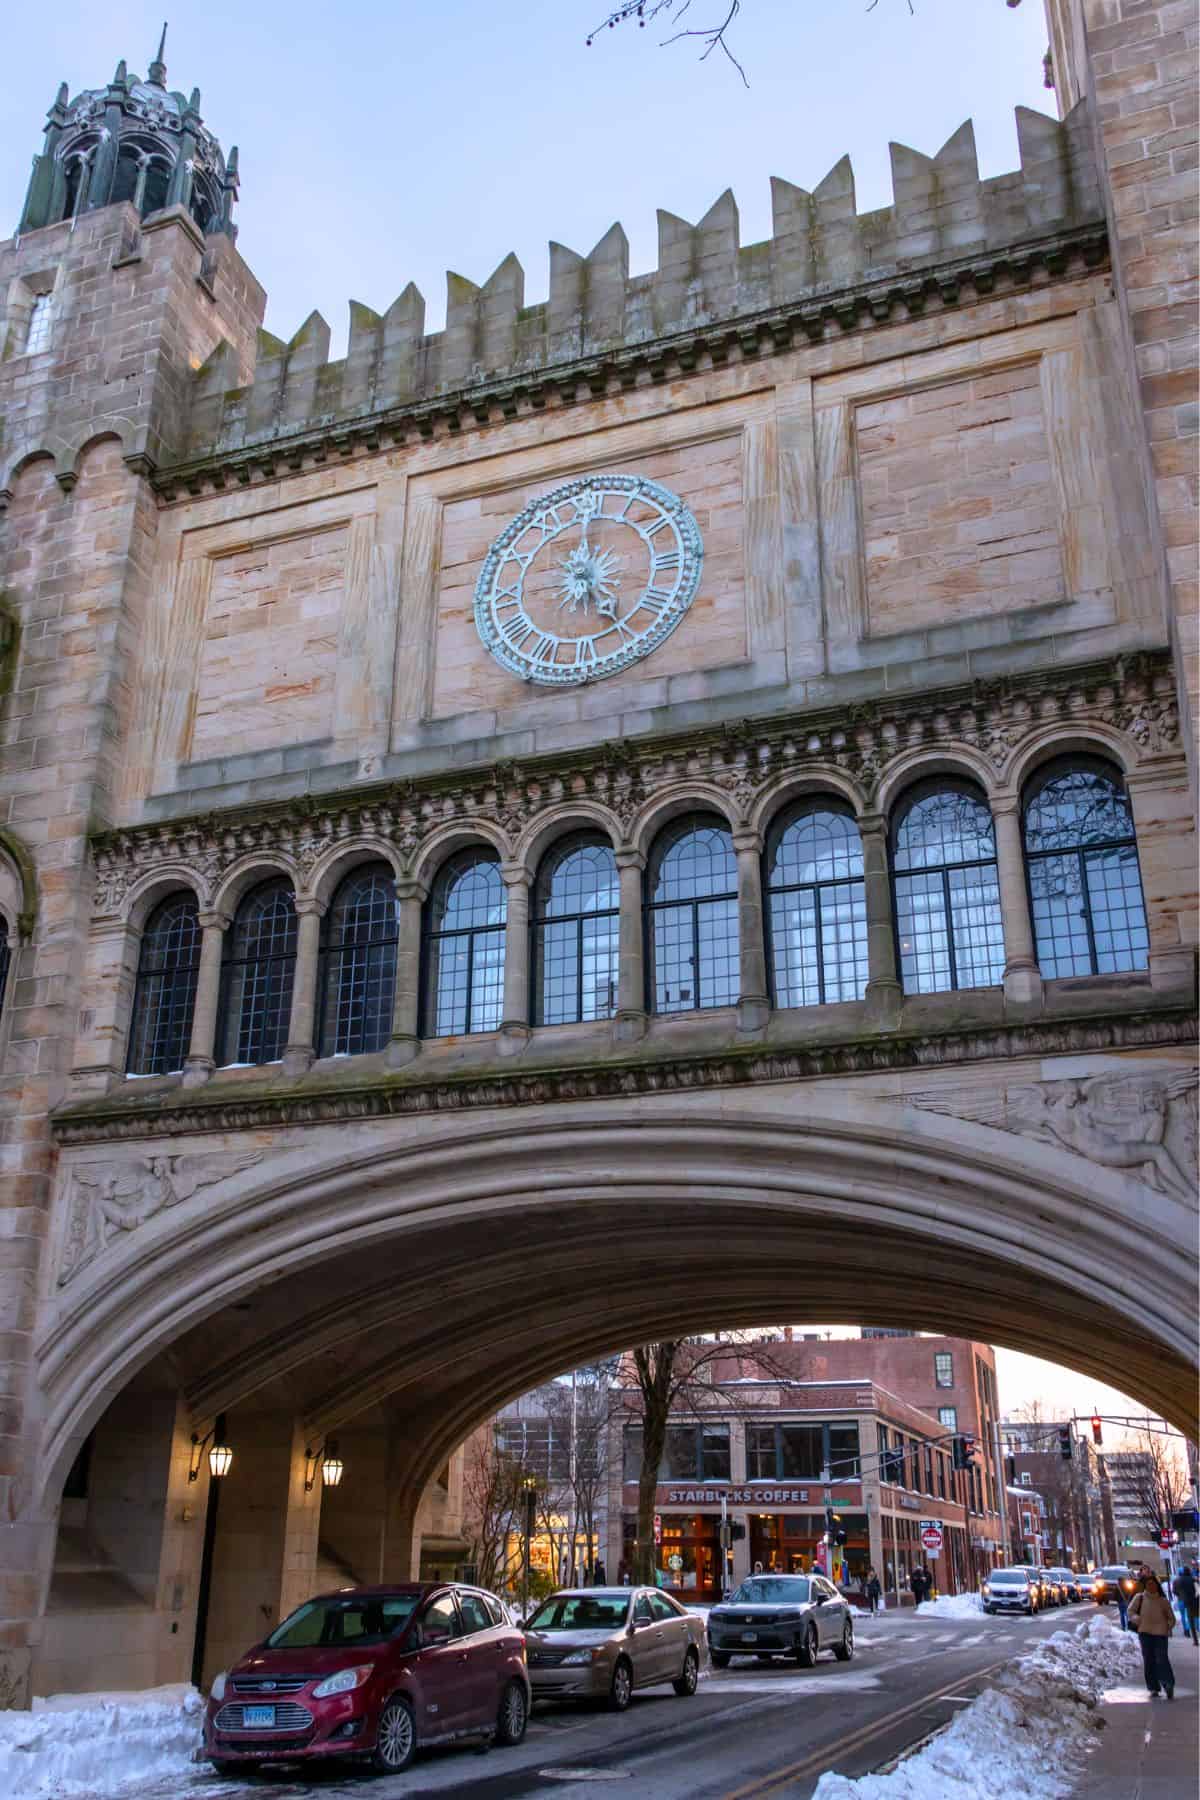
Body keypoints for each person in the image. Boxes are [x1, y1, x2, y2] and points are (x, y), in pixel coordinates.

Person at [1128, 1573, 1177, 1700]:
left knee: (1162, 1659)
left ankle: (1168, 1684)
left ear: (1157, 1585)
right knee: (1149, 1659)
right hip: (1145, 1633)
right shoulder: (1140, 1598)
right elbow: (1130, 1611)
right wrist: (1136, 1619)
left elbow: (1171, 1618)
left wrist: (1168, 1626)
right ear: (1145, 1586)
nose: (1151, 1586)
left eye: (1153, 1584)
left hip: (1160, 1634)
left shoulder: (1163, 1601)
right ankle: (1153, 1686)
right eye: (1149, 1584)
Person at [1172, 1563, 1198, 1645]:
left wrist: (1180, 1595)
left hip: (1182, 1600)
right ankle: (1197, 1629)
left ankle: (1187, 1631)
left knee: (1184, 1616)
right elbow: (1197, 1589)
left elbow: (1174, 1591)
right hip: (1193, 1601)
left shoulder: (1177, 1580)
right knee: (1195, 1617)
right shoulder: (1193, 1579)